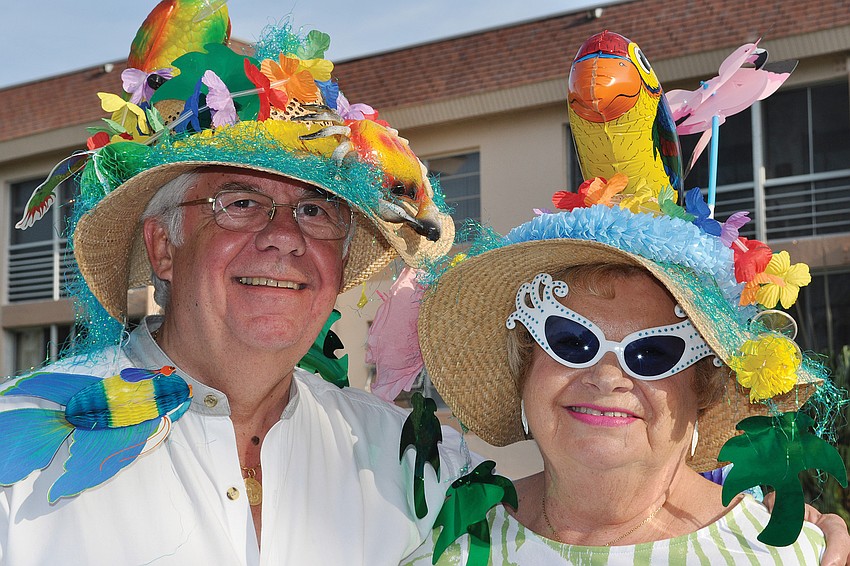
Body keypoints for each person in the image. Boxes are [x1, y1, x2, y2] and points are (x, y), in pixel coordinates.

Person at [0, 5, 468, 565]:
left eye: (316, 211)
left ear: (340, 266)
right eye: (241, 203)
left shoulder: (418, 466)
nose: (285, 238)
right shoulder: (16, 451)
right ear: (163, 248)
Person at [402, 193, 850, 563]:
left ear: (704, 390)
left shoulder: (789, 556)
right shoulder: (435, 538)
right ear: (526, 367)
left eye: (653, 352)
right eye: (571, 341)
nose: (606, 377)